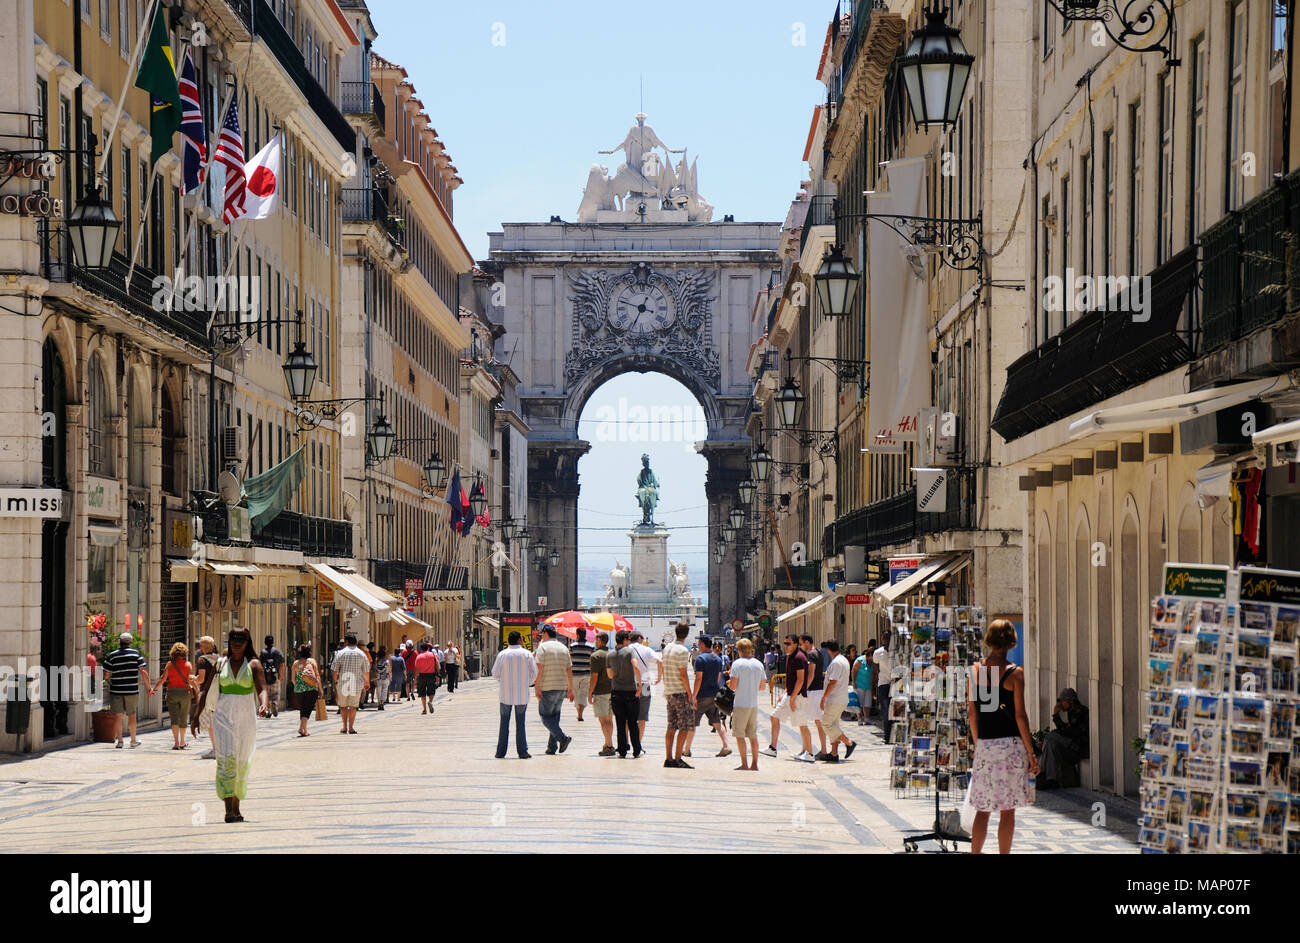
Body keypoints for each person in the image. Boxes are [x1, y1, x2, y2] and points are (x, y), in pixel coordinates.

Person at [967, 619, 1038, 854]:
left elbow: (973, 715)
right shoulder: (1015, 673)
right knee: (1008, 810)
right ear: (1010, 642)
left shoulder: (976, 671)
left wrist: (979, 744)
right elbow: (1020, 715)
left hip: (986, 745)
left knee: (983, 809)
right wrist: (1031, 752)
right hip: (1011, 746)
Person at [191, 626, 270, 822]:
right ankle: (228, 809)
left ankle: (236, 805)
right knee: (226, 760)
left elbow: (262, 689)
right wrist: (195, 717)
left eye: (241, 639)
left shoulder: (253, 665)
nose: (236, 642)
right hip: (223, 719)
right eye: (233, 638)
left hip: (246, 720)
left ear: (247, 642)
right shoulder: (220, 664)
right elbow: (206, 690)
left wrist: (264, 704)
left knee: (242, 762)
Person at [762, 635, 813, 760]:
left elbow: (800, 680)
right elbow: (791, 678)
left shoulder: (800, 658)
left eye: (788, 643)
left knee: (802, 724)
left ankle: (810, 753)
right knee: (774, 717)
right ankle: (773, 748)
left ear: (796, 644)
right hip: (790, 694)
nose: (786, 646)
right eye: (784, 643)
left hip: (798, 696)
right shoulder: (790, 657)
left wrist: (792, 697)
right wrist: (785, 692)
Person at [102, 632, 151, 749]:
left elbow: (107, 674)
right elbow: (143, 671)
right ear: (131, 642)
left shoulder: (112, 655)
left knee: (118, 716)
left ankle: (120, 741)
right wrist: (149, 687)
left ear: (119, 642)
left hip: (116, 690)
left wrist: (105, 679)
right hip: (132, 690)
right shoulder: (136, 654)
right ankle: (133, 740)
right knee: (132, 716)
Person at [492, 631, 536, 759]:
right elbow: (534, 674)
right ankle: (522, 752)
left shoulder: (502, 655)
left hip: (505, 694)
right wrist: (527, 683)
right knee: (520, 723)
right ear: (519, 640)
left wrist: (503, 681)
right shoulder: (527, 654)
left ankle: (500, 752)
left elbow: (495, 673)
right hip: (522, 695)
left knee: (504, 723)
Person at [688, 635, 732, 759]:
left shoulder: (700, 659)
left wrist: (693, 696)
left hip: (702, 695)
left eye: (699, 643)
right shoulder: (717, 659)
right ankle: (726, 745)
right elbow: (718, 678)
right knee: (717, 722)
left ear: (702, 644)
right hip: (714, 694)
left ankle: (686, 749)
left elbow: (698, 678)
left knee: (692, 722)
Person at [534, 625, 575, 755]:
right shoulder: (564, 648)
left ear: (546, 633)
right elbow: (569, 669)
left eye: (542, 633)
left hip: (547, 686)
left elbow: (539, 669)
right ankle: (552, 747)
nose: (541, 636)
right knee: (554, 718)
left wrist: (537, 687)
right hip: (561, 687)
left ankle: (563, 738)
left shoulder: (543, 648)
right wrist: (570, 689)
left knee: (545, 717)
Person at [727, 638, 767, 771]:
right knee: (752, 735)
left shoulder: (737, 664)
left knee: (739, 735)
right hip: (753, 704)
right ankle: (754, 764)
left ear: (739, 650)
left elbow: (733, 686)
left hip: (740, 703)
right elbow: (762, 687)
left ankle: (744, 763)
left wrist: (729, 684)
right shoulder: (758, 664)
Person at [1037, 688, 1089, 788]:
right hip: (1071, 747)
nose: (1060, 704)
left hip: (1078, 749)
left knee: (1050, 736)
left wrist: (1056, 716)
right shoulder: (1071, 712)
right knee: (1051, 743)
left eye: (1061, 701)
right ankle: (1051, 779)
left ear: (1070, 701)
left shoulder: (1081, 712)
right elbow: (1066, 731)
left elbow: (1068, 732)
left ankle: (1042, 772)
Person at [149, 642, 195, 750]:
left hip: (172, 693)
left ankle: (176, 743)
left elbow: (162, 679)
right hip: (185, 693)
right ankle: (183, 741)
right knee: (183, 718)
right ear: (184, 653)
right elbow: (191, 680)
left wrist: (154, 689)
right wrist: (197, 690)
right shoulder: (188, 665)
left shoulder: (170, 665)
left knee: (174, 719)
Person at [660, 623, 694, 768]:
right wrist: (690, 693)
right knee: (685, 726)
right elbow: (683, 674)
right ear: (686, 634)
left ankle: (668, 758)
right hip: (680, 692)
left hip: (669, 691)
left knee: (671, 726)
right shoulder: (682, 650)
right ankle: (678, 758)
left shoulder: (667, 648)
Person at [818, 640, 857, 762]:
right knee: (833, 725)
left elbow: (833, 681)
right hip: (841, 698)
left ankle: (849, 742)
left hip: (834, 699)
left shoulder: (836, 663)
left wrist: (824, 697)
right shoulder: (843, 660)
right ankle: (834, 753)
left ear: (829, 650)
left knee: (826, 724)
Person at [608, 629, 644, 758]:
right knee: (633, 723)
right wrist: (639, 685)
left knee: (620, 723)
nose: (629, 642)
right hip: (630, 691)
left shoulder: (610, 654)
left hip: (616, 691)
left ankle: (622, 751)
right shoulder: (630, 651)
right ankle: (636, 750)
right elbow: (635, 666)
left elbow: (610, 674)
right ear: (624, 640)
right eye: (628, 639)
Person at [330, 633, 370, 733]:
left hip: (343, 682)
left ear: (346, 642)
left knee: (343, 706)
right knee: (353, 706)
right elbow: (366, 670)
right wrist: (367, 682)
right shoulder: (361, 654)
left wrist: (335, 681)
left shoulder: (340, 653)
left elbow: (334, 669)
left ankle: (344, 727)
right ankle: (351, 727)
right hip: (356, 683)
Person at [629, 631, 661, 745]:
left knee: (629, 717)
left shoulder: (625, 649)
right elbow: (659, 661)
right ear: (639, 638)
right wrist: (659, 677)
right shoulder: (646, 649)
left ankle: (627, 742)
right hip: (645, 685)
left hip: (630, 685)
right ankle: (638, 744)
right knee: (642, 717)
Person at [588, 631, 616, 755]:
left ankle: (609, 745)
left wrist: (590, 692)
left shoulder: (596, 656)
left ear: (600, 640)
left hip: (600, 691)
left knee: (603, 720)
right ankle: (608, 743)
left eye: (596, 639)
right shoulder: (612, 654)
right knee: (609, 720)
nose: (595, 641)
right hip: (613, 691)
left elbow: (594, 676)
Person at [801, 635, 830, 758]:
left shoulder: (811, 654)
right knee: (818, 721)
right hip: (818, 690)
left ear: (807, 642)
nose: (801, 646)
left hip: (812, 691)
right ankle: (821, 749)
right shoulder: (818, 653)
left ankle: (806, 750)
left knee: (802, 720)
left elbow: (811, 674)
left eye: (801, 643)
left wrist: (803, 690)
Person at [193, 636, 219, 758]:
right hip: (220, 692)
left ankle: (215, 749)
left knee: (210, 723)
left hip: (208, 694)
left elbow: (201, 679)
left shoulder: (202, 660)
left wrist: (192, 679)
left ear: (202, 647)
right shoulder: (219, 659)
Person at [291, 644, 322, 737]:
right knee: (307, 709)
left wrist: (298, 686)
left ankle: (305, 729)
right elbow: (317, 676)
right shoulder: (311, 661)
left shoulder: (295, 664)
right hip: (311, 689)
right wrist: (320, 689)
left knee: (303, 709)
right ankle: (301, 728)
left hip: (298, 690)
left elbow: (293, 679)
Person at [569, 627, 595, 722]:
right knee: (583, 694)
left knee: (576, 694)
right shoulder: (591, 646)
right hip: (586, 674)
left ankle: (579, 714)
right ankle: (580, 714)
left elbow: (569, 660)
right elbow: (593, 661)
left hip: (574, 673)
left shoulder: (572, 646)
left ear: (577, 635)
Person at [874, 637, 896, 742]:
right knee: (886, 710)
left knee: (895, 710)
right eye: (885, 638)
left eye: (888, 638)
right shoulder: (878, 653)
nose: (887, 640)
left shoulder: (897, 651)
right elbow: (876, 668)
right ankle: (887, 736)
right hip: (883, 684)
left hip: (896, 684)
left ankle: (894, 735)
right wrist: (874, 685)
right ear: (882, 640)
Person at [259, 635, 286, 718]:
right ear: (273, 642)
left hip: (265, 676)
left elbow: (259, 665)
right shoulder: (277, 652)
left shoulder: (262, 652)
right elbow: (281, 664)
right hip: (275, 675)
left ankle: (268, 711)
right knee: (275, 694)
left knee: (266, 694)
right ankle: (274, 703)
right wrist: (281, 675)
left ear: (265, 642)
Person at [852, 640, 876, 724]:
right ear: (869, 655)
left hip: (868, 685)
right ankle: (859, 718)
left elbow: (874, 674)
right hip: (859, 685)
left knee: (867, 703)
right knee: (859, 702)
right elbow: (854, 671)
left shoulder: (873, 663)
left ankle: (866, 718)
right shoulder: (860, 660)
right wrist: (854, 682)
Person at [414, 642, 440, 715]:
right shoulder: (433, 655)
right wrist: (438, 674)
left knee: (422, 693)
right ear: (428, 648)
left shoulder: (419, 657)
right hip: (431, 675)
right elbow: (437, 665)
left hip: (422, 676)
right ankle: (430, 702)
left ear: (421, 649)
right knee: (431, 691)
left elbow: (416, 669)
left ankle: (424, 709)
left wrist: (415, 679)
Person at [374, 645, 390, 710]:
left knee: (378, 691)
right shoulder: (386, 662)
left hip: (378, 678)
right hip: (385, 678)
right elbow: (389, 670)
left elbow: (374, 669)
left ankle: (378, 703)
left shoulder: (376, 662)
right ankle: (382, 703)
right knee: (384, 690)